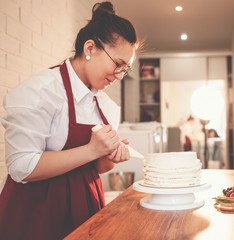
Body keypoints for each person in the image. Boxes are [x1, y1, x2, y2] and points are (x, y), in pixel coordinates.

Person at [0, 2, 139, 239]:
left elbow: (100, 168)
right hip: (36, 211)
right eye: (117, 64)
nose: (119, 76)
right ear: (90, 48)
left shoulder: (107, 107)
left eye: (125, 70)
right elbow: (21, 167)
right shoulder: (39, 92)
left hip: (87, 206)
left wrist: (110, 156)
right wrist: (92, 149)